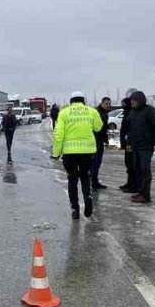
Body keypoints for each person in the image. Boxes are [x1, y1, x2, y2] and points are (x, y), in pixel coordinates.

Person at [51, 91, 102, 219]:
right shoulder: (92, 111)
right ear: (83, 100)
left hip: (70, 153)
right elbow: (98, 127)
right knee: (85, 177)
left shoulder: (64, 113)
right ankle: (88, 197)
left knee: (72, 180)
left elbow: (58, 135)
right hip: (88, 151)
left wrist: (56, 153)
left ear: (71, 101)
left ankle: (75, 209)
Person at [123, 90, 155, 203]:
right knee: (137, 169)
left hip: (146, 146)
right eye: (131, 100)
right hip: (135, 145)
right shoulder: (132, 112)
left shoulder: (150, 111)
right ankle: (140, 192)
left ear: (140, 101)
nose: (131, 102)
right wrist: (129, 143)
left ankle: (145, 195)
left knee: (144, 170)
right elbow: (130, 130)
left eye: (133, 100)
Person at [90, 97, 112, 189]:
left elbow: (104, 129)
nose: (108, 105)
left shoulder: (105, 114)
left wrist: (106, 141)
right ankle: (92, 183)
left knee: (98, 163)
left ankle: (95, 182)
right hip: (94, 141)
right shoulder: (96, 112)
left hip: (100, 141)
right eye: (106, 103)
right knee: (94, 163)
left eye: (109, 104)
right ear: (101, 103)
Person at [118, 97, 138, 193]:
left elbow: (131, 130)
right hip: (127, 142)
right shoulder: (126, 113)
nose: (122, 106)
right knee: (128, 164)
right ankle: (129, 183)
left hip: (131, 143)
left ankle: (133, 186)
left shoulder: (131, 113)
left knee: (131, 164)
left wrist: (128, 142)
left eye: (124, 104)